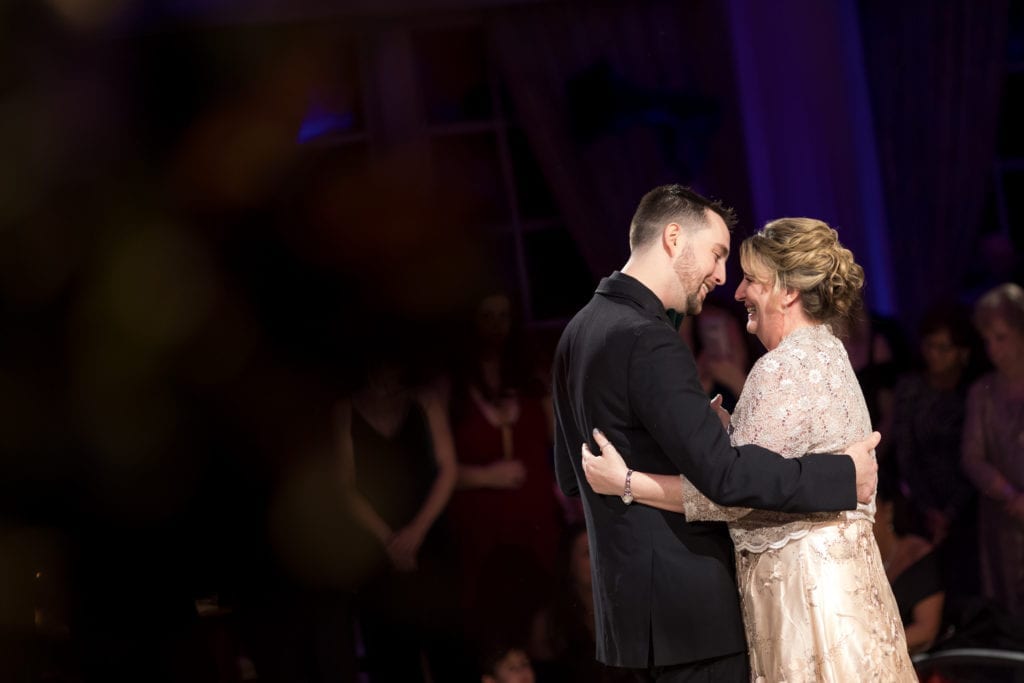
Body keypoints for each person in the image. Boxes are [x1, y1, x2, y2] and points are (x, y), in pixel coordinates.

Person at [550, 185, 880, 682]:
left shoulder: (576, 332)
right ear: (674, 237)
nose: (723, 277)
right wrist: (842, 474)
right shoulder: (649, 338)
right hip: (695, 616)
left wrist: (679, 442)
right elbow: (724, 479)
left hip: (631, 620)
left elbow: (572, 476)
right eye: (718, 254)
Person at [336, 352, 463, 682]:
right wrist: (389, 540)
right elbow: (345, 487)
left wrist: (417, 531)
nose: (385, 375)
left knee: (445, 648)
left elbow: (448, 469)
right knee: (391, 656)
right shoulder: (345, 410)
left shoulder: (425, 402)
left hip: (429, 539)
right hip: (377, 550)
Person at [961, 282, 1024, 618]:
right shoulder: (982, 393)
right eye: (987, 340)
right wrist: (1010, 495)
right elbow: (972, 457)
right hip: (1003, 523)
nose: (994, 349)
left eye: (1002, 337)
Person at [873, 474, 946, 654]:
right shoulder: (849, 564)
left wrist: (873, 650)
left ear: (888, 510)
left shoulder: (917, 556)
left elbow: (926, 631)